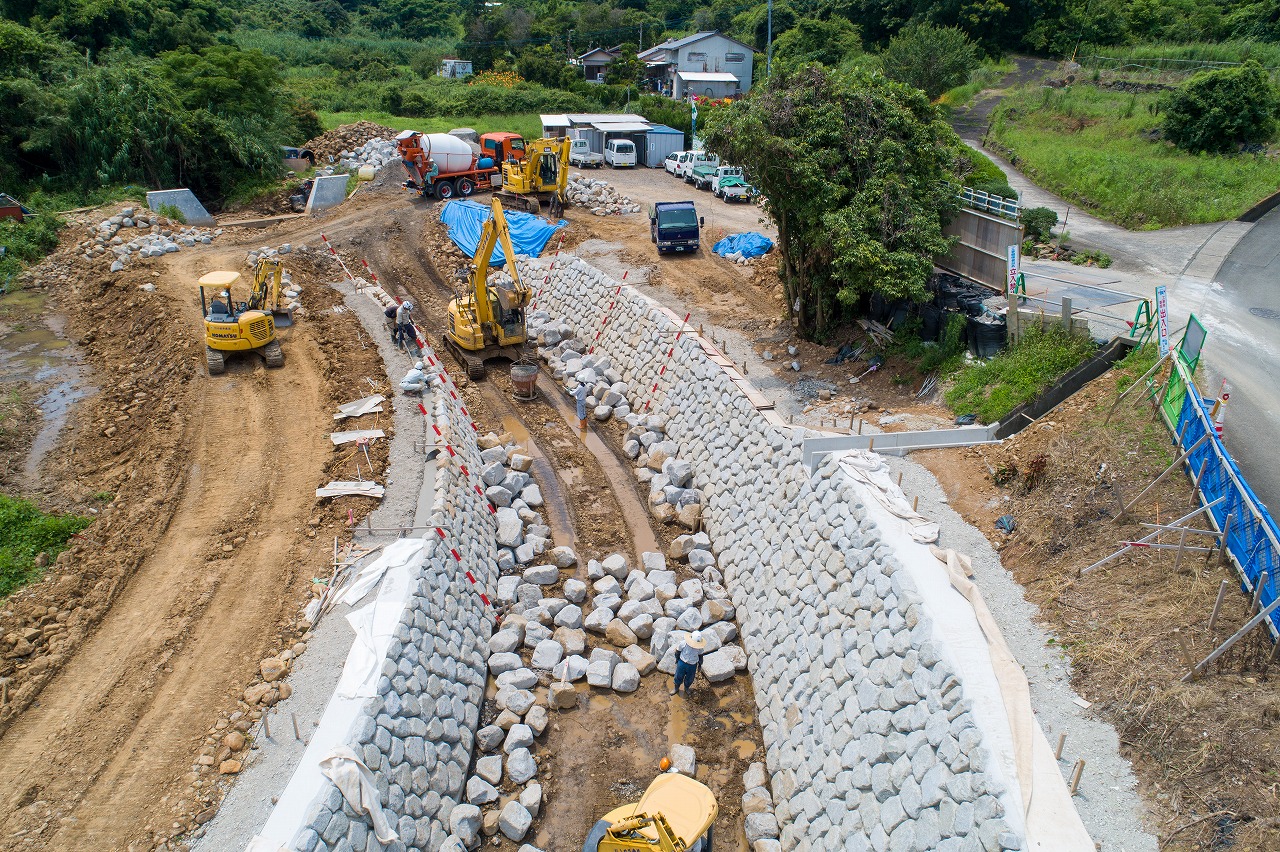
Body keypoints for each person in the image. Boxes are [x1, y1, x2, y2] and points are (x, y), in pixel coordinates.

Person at [671, 630, 707, 696]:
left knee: (690, 678)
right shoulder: (683, 643)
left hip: (692, 665)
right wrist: (677, 659)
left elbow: (700, 655)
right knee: (678, 676)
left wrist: (700, 665)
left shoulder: (699, 648)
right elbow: (677, 652)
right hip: (682, 662)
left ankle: (686, 688)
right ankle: (676, 688)